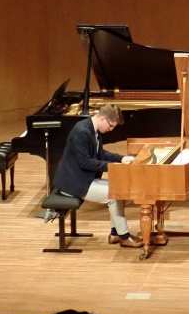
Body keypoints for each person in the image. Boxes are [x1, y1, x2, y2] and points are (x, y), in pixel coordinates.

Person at [51, 103, 140, 247]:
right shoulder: (82, 132)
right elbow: (85, 162)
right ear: (103, 118)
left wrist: (121, 158)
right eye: (111, 126)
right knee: (113, 195)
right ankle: (124, 237)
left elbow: (100, 154)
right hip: (73, 183)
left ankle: (115, 234)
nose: (111, 130)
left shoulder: (93, 129)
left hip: (83, 178)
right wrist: (113, 167)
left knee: (118, 189)